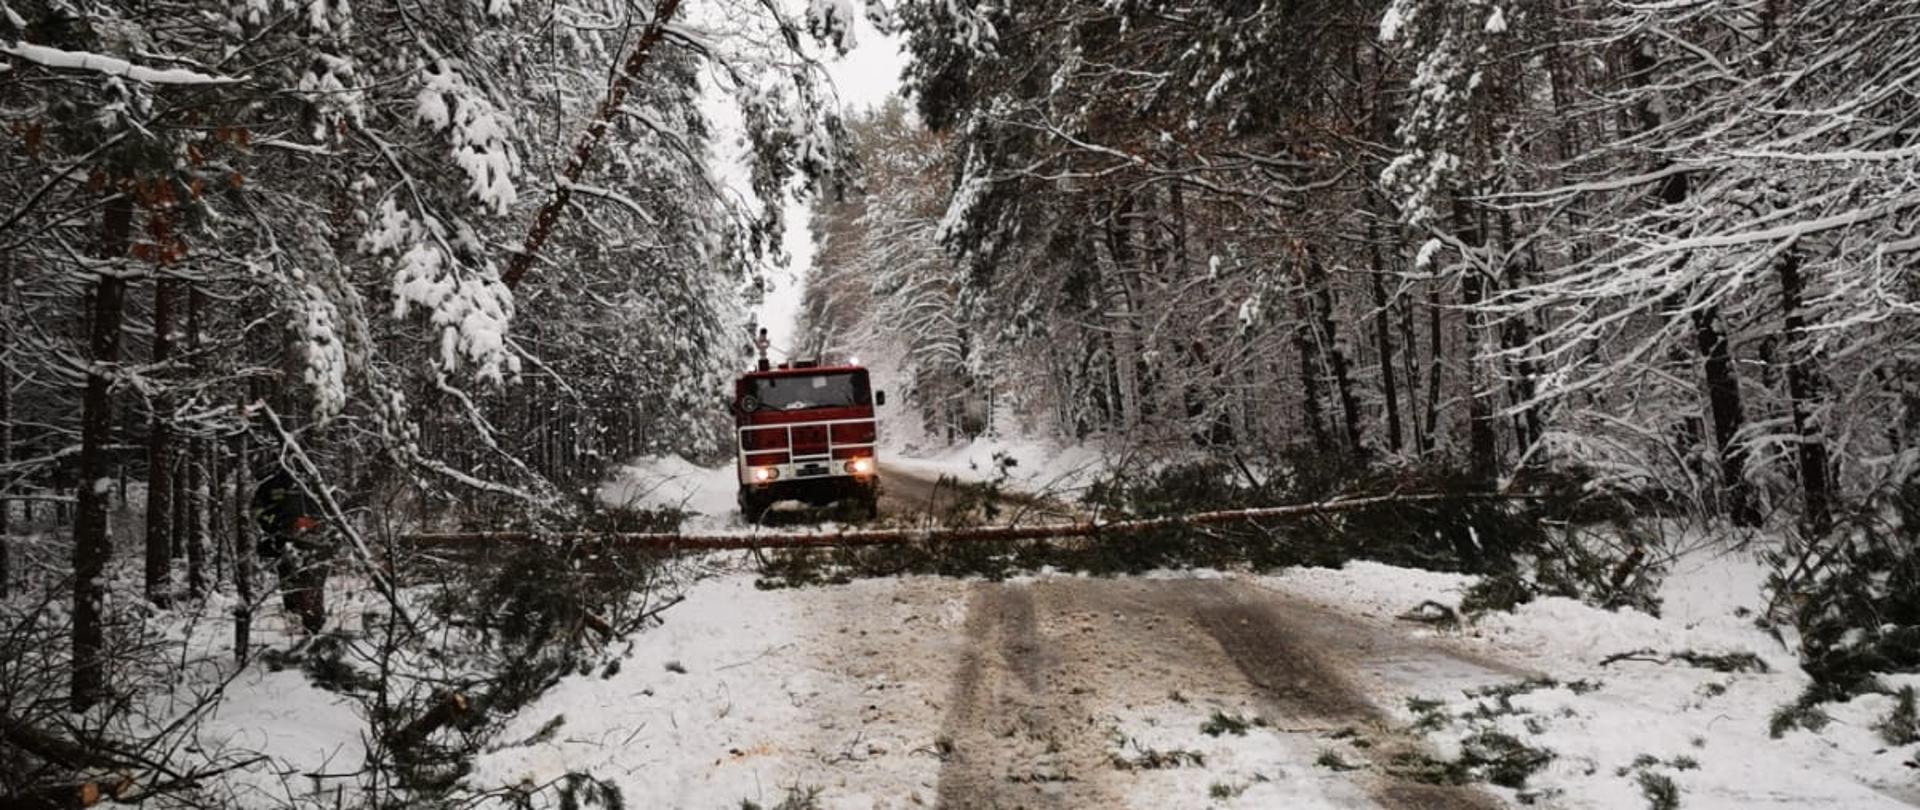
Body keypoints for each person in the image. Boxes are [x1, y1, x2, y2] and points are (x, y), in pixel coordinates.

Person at [252, 463, 330, 634]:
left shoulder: (313, 482)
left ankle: (314, 626)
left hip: (314, 545)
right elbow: (258, 512)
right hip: (284, 544)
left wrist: (313, 525)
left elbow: (328, 511)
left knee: (312, 586)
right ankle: (294, 625)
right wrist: (280, 523)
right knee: (290, 585)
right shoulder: (270, 485)